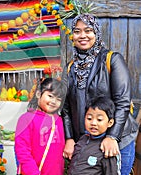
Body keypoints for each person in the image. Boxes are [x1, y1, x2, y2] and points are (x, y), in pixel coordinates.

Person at [62, 13, 138, 175]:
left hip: (117, 140)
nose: (82, 35)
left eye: (88, 30)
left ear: (96, 33)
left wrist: (112, 137)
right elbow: (66, 108)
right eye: (77, 31)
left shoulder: (112, 60)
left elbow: (123, 102)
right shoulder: (70, 68)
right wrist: (69, 139)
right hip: (88, 143)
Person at [15, 78, 66, 175]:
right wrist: (32, 172)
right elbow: (22, 150)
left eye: (58, 99)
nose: (54, 101)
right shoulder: (26, 119)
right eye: (50, 96)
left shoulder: (59, 120)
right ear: (38, 94)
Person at [68, 96, 121, 175]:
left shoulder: (107, 148)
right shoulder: (83, 139)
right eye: (89, 118)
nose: (93, 123)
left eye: (99, 120)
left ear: (110, 123)